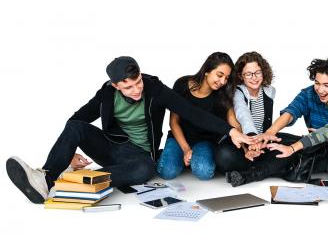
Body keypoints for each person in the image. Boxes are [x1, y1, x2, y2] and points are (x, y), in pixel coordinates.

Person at [6, 56, 254, 204]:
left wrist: (230, 131)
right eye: (128, 87)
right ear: (115, 86)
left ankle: (76, 182)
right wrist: (69, 151)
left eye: (138, 83)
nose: (136, 90)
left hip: (138, 156)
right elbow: (76, 120)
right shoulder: (106, 94)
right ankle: (46, 178)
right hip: (111, 147)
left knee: (145, 169)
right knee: (75, 127)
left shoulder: (155, 88)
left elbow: (191, 112)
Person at [228, 57, 328, 186]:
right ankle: (255, 174)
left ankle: (290, 166)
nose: (320, 89)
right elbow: (290, 113)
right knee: (276, 140)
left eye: (326, 85)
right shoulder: (308, 94)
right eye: (317, 83)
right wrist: (270, 132)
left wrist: (327, 138)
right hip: (311, 145)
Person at [156, 52, 241, 180]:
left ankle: (192, 159)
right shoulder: (182, 84)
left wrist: (245, 141)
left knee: (204, 172)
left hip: (204, 141)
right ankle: (173, 156)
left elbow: (233, 121)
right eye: (219, 75)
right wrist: (185, 149)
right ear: (207, 70)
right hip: (179, 138)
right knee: (168, 172)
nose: (223, 81)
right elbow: (174, 122)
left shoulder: (223, 94)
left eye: (227, 78)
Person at [213, 52, 290, 186]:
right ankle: (277, 168)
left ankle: (254, 170)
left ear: (263, 72)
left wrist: (260, 143)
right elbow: (243, 116)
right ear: (240, 76)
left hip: (262, 141)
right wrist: (251, 141)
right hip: (242, 143)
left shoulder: (269, 91)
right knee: (224, 156)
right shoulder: (238, 92)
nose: (254, 78)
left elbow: (268, 129)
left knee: (295, 143)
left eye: (257, 72)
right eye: (248, 74)